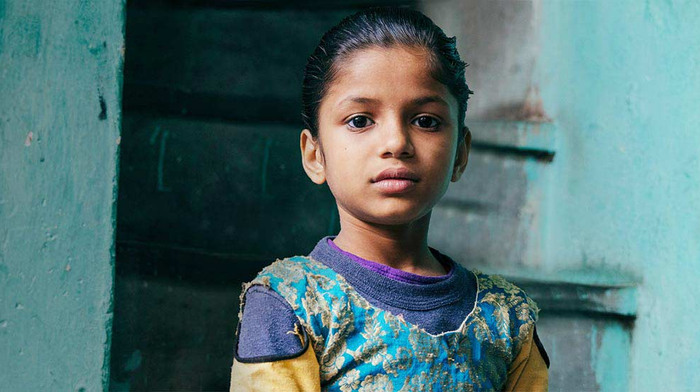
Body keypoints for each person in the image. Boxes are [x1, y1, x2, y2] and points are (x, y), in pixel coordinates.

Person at [230, 6, 549, 391]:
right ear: (315, 155)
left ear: (460, 155)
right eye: (360, 120)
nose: (396, 142)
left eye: (425, 121)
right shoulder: (292, 304)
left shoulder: (507, 318)